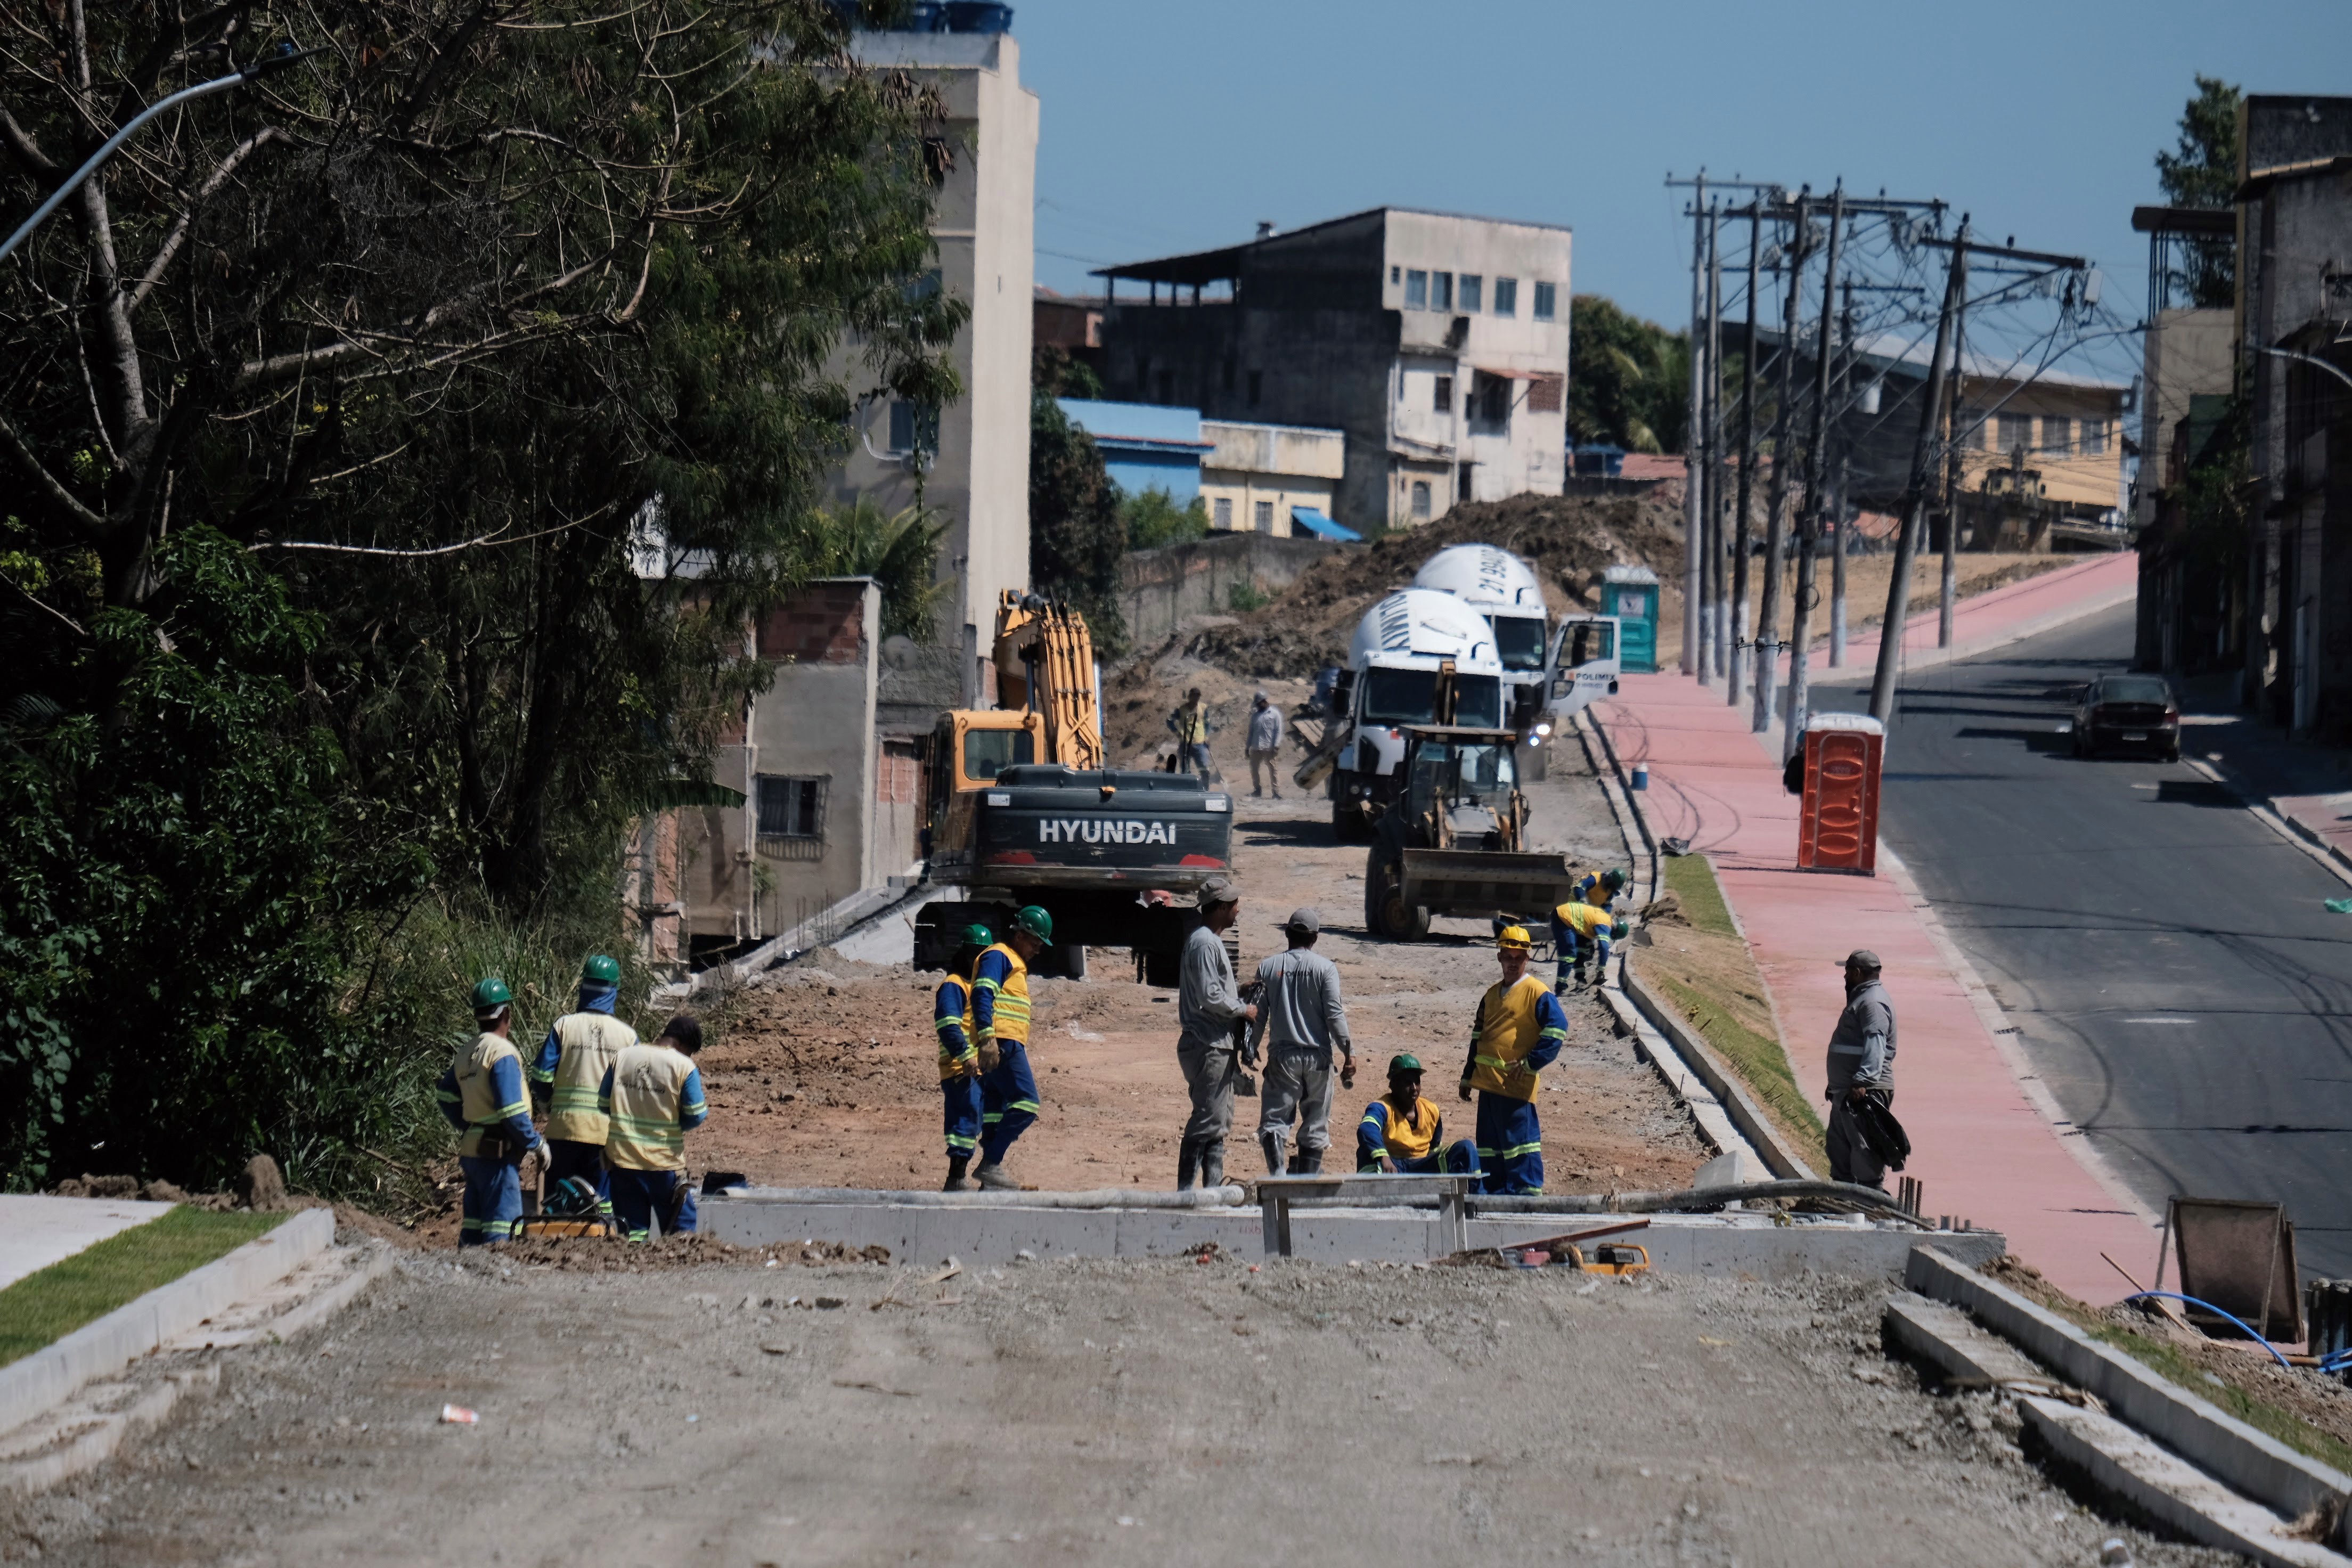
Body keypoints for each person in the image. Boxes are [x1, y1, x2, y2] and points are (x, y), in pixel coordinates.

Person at [1458, 926, 1571, 1195]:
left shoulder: (1537, 993)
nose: (1512, 962)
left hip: (1516, 1089)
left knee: (1521, 1148)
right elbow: (1478, 1037)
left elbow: (1557, 1030)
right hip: (1488, 1088)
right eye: (1507, 956)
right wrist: (1468, 1076)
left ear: (1527, 959)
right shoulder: (1491, 995)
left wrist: (1531, 1064)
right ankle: (1494, 1199)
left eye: (1518, 957)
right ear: (1499, 957)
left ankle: (1527, 1199)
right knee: (1490, 1151)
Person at [526, 954, 637, 1223]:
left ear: (583, 987)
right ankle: (596, 1254)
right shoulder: (627, 1036)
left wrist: (547, 1105)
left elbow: (540, 1076)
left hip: (564, 1130)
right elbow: (633, 1090)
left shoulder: (565, 1026)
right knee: (599, 1206)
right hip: (604, 1135)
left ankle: (555, 1253)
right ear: (614, 991)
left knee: (559, 1202)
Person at [436, 978, 542, 1247]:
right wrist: (536, 1143)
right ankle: (497, 1273)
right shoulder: (501, 1052)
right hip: (497, 1153)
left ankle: (467, 1271)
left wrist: (471, 1124)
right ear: (506, 1013)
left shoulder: (467, 1051)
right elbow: (511, 1111)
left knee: (474, 1219)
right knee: (501, 1223)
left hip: (473, 1150)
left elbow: (446, 1095)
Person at [1250, 907, 1355, 1174]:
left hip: (1283, 1058)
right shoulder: (1325, 969)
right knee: (1316, 1123)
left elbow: (1258, 1016)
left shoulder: (1269, 967)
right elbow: (1334, 1016)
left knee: (1275, 1121)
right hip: (1318, 1059)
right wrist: (1348, 1051)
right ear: (1315, 938)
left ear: (1287, 934)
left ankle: (1278, 1178)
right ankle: (1308, 1181)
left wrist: (1249, 1049)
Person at [1175, 875, 1255, 1189]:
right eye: (1234, 904)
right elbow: (1210, 997)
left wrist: (1238, 990)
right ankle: (1184, 1196)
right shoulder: (1206, 942)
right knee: (1207, 1121)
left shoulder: (1208, 941)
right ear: (1221, 907)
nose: (1239, 909)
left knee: (1218, 1123)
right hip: (1208, 1044)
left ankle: (1211, 1195)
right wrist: (1243, 1009)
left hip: (1216, 1045)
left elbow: (1213, 989)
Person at [599, 1014, 708, 1241]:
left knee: (633, 1229)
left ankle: (634, 1266)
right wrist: (676, 1125)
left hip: (624, 1160)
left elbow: (602, 1103)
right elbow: (697, 1114)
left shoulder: (623, 1057)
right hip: (664, 1163)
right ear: (681, 1045)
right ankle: (680, 1269)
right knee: (682, 1227)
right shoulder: (683, 1066)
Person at [971, 907, 1051, 1189]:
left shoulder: (1011, 960)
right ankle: (991, 1163)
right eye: (1035, 942)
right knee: (1027, 1104)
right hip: (1002, 1043)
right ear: (1019, 934)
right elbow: (983, 993)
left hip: (1003, 1043)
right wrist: (988, 1037)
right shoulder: (1000, 956)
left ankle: (990, 1183)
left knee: (995, 1109)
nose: (1037, 950)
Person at [1825, 949, 1899, 1189]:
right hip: (1846, 1090)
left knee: (1864, 1148)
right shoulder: (1863, 999)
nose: (1844, 978)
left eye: (1847, 973)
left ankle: (1872, 1201)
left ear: (1857, 973)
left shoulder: (1873, 1003)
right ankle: (1843, 1199)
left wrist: (1862, 1082)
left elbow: (1876, 1042)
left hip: (1863, 1092)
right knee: (1840, 1144)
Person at [935, 923, 993, 1190]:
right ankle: (956, 1177)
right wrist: (966, 1056)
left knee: (986, 1118)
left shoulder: (979, 987)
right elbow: (948, 1025)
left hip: (978, 1068)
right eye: (975, 955)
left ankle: (988, 1176)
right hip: (961, 1068)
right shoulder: (954, 985)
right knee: (966, 1119)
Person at [1357, 1054, 1479, 1175]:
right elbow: (1367, 1128)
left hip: (1422, 1166)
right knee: (1367, 1153)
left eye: (1417, 1082)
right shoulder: (1382, 1108)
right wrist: (1383, 1157)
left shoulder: (1431, 1110)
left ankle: (1477, 1194)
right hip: (1392, 1166)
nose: (1414, 1088)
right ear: (1393, 1086)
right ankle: (1370, 1192)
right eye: (1408, 1083)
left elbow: (1434, 1149)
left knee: (1465, 1149)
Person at [1551, 896, 1628, 992]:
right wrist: (1601, 970)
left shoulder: (1603, 917)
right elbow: (1604, 947)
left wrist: (1581, 977)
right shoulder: (1605, 924)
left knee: (1580, 949)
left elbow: (1582, 950)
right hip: (1564, 917)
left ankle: (1580, 978)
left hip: (1564, 915)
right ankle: (1560, 988)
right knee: (1569, 954)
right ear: (1614, 933)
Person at [1245, 692, 1285, 799]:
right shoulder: (1255, 716)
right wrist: (1247, 747)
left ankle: (1276, 792)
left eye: (1259, 704)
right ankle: (1257, 790)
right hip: (1256, 746)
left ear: (1264, 702)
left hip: (1269, 747)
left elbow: (1278, 731)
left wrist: (1276, 745)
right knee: (1254, 769)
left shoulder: (1275, 714)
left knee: (1273, 770)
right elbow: (1251, 732)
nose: (1257, 706)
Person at [1170, 688, 1212, 777]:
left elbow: (1208, 724)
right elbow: (1169, 721)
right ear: (1189, 697)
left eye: (1198, 696)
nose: (1196, 699)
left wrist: (1207, 737)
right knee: (1185, 770)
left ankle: (1206, 788)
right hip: (1185, 743)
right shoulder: (1181, 710)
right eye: (1194, 696)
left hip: (1199, 743)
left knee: (1204, 768)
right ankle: (1187, 788)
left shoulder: (1203, 708)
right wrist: (1177, 733)